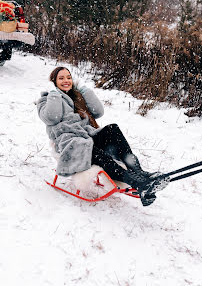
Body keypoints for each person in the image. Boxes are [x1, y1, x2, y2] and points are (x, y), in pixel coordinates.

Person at [37, 67, 170, 206]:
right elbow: (52, 117)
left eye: (69, 77)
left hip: (88, 135)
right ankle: (136, 182)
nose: (66, 81)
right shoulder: (45, 100)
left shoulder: (76, 96)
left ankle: (140, 173)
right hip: (71, 143)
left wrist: (83, 90)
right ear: (54, 82)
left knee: (113, 129)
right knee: (96, 152)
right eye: (61, 78)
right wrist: (53, 94)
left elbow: (98, 112)